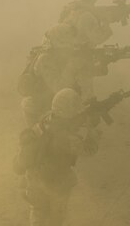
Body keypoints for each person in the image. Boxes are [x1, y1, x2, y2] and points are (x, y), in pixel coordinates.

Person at [15, 88, 100, 226]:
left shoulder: (45, 120)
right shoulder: (68, 138)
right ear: (70, 112)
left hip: (33, 177)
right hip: (55, 183)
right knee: (56, 219)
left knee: (38, 211)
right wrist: (93, 131)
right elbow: (89, 150)